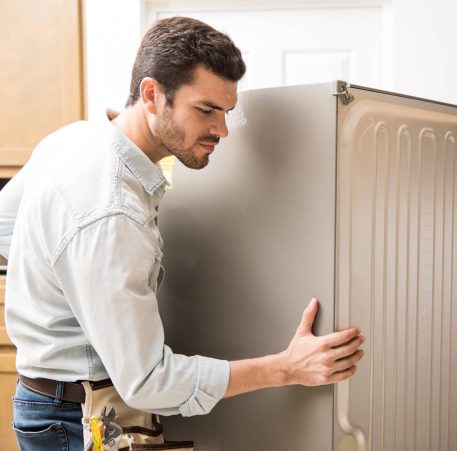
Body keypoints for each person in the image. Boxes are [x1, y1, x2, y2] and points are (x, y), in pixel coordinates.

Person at [0, 16, 365, 450]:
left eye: (226, 111)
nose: (222, 130)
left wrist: (78, 299)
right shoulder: (113, 211)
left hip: (51, 401)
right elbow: (148, 381)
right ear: (152, 95)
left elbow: (7, 232)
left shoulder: (75, 139)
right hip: (80, 419)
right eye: (205, 110)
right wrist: (286, 368)